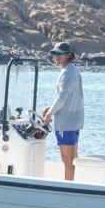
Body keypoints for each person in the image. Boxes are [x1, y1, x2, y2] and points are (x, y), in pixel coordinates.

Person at [41, 41, 84, 181]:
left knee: (68, 161)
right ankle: (72, 185)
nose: (56, 56)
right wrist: (51, 107)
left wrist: (48, 115)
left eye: (59, 54)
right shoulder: (73, 70)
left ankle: (69, 188)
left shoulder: (66, 73)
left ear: (68, 55)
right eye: (54, 53)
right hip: (74, 121)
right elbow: (65, 97)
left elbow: (62, 98)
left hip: (66, 123)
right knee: (73, 159)